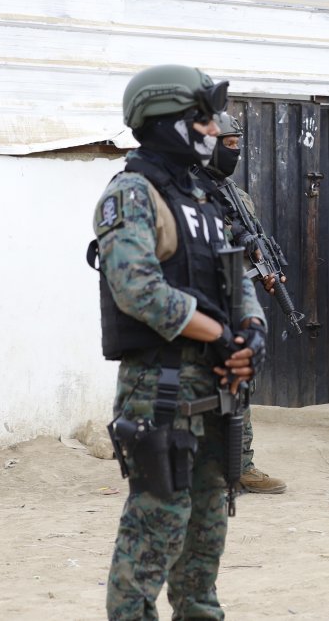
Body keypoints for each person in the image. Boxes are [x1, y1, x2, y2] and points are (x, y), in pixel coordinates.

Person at [92, 64, 265, 618]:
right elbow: (137, 289)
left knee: (205, 536)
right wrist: (218, 335)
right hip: (160, 391)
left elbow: (236, 278)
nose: (214, 130)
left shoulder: (205, 197)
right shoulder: (132, 194)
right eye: (203, 118)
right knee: (154, 529)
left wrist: (250, 337)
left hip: (215, 390)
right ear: (166, 121)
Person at [195, 111, 287, 495]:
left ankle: (240, 465)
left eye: (237, 145)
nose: (234, 152)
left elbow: (249, 245)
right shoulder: (182, 190)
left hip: (235, 300)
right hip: (199, 306)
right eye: (228, 145)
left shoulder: (237, 194)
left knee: (239, 382)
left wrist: (265, 270)